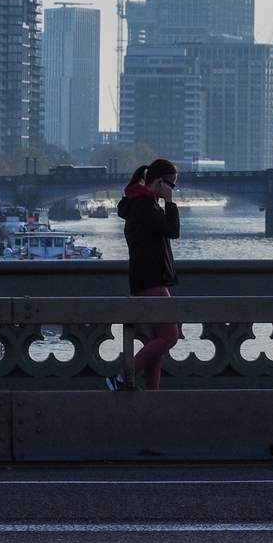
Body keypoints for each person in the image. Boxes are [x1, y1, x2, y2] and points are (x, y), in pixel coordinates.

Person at [107, 159, 180, 391]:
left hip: (145, 280)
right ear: (159, 182)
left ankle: (152, 395)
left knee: (157, 341)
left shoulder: (140, 204)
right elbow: (172, 231)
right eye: (171, 185)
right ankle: (120, 378)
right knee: (170, 337)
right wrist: (170, 202)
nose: (172, 190)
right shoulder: (144, 207)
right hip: (152, 280)